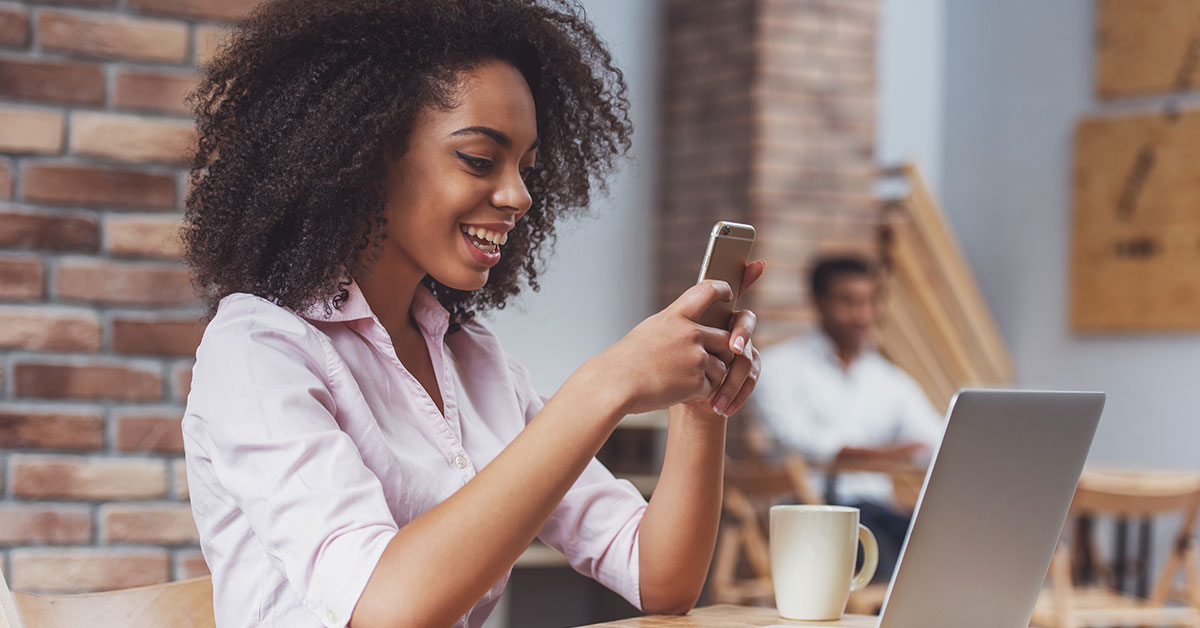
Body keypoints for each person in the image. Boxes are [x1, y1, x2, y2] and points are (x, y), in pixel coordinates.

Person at [178, 2, 767, 627]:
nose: (519, 196)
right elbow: (385, 607)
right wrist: (607, 384)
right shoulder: (257, 351)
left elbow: (659, 578)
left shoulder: (475, 361)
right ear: (367, 154)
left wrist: (702, 408)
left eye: (527, 168)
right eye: (481, 160)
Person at [751, 255, 943, 581]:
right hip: (810, 512)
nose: (863, 314)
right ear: (818, 302)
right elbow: (804, 443)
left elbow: (936, 439)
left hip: (878, 510)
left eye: (870, 302)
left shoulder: (889, 379)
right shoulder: (778, 368)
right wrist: (892, 453)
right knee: (889, 567)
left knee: (945, 547)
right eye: (848, 302)